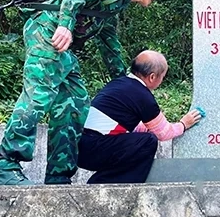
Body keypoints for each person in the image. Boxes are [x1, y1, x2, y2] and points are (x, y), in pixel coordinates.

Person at [0, 0, 168, 186]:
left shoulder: (117, 3)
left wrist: (124, 81)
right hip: (47, 32)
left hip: (63, 48)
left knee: (74, 105)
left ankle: (58, 177)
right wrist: (64, 25)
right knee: (38, 96)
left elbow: (109, 44)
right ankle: (5, 166)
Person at [77, 50, 201, 183]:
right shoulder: (142, 96)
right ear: (152, 77)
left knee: (141, 139)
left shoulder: (118, 84)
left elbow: (130, 125)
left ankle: (101, 182)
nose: (162, 81)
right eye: (162, 77)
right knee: (147, 142)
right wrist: (183, 124)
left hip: (82, 148)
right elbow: (163, 134)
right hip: (95, 149)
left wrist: (154, 127)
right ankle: (109, 184)